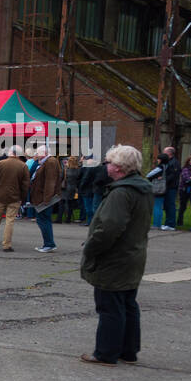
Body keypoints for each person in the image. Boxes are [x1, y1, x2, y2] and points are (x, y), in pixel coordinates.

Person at [80, 144, 151, 366]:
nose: (106, 166)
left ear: (119, 167)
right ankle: (128, 351)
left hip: (115, 258)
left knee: (110, 307)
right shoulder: (142, 188)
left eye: (109, 162)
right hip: (132, 255)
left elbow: (110, 227)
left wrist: (91, 247)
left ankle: (106, 353)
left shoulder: (121, 193)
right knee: (128, 304)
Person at [0, 149, 28, 252]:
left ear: (10, 153)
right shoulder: (23, 166)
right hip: (15, 197)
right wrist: (22, 198)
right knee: (10, 221)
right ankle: (6, 245)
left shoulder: (0, 163)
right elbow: (25, 185)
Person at [56, 155, 80, 223]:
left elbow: (61, 178)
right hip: (73, 188)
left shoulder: (66, 169)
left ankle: (59, 218)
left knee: (61, 204)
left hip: (65, 188)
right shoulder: (78, 170)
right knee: (70, 204)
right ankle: (68, 219)